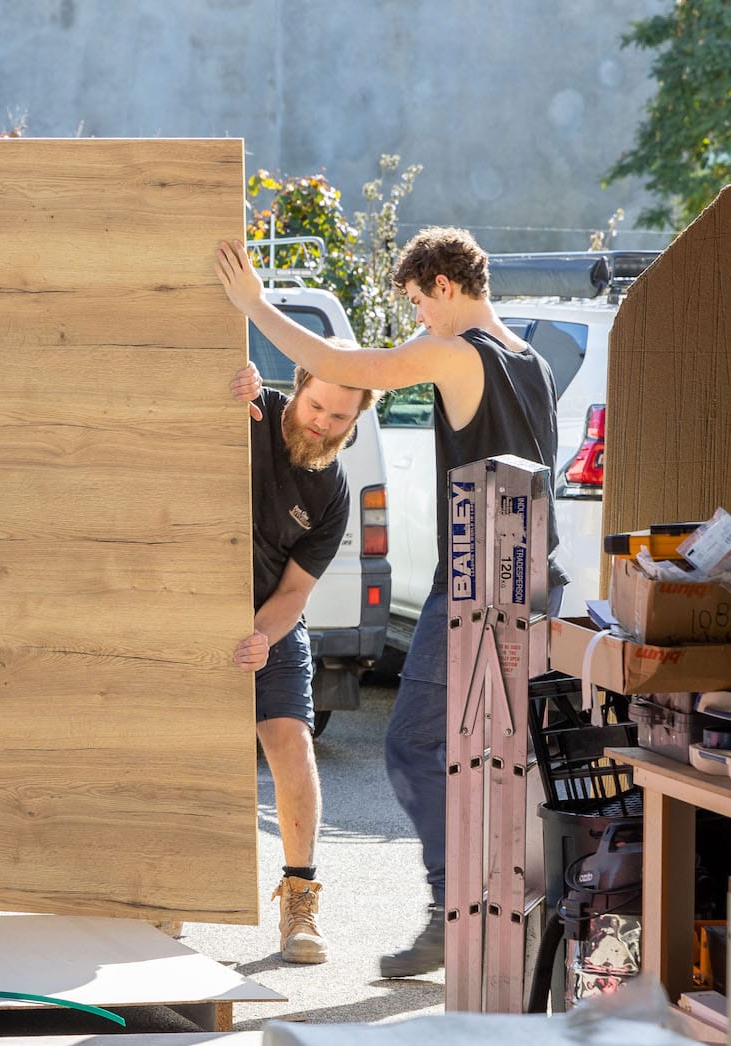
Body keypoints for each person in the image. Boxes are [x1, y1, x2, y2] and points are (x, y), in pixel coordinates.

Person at [216, 227, 566, 978]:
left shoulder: (460, 350)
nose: (417, 322)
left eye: (415, 301)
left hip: (480, 584)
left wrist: (253, 303)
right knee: (505, 760)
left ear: (444, 285)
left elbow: (345, 364)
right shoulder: (531, 360)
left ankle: (453, 914)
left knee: (412, 746)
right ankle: (516, 918)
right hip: (537, 575)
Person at [231, 359, 376, 965]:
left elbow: (294, 594)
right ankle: (171, 893)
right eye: (316, 407)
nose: (322, 423)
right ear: (297, 390)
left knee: (291, 740)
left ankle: (299, 901)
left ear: (355, 420)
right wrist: (220, 393)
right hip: (180, 604)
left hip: (269, 616)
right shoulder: (250, 410)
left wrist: (262, 635)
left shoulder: (333, 494)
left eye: (339, 416)